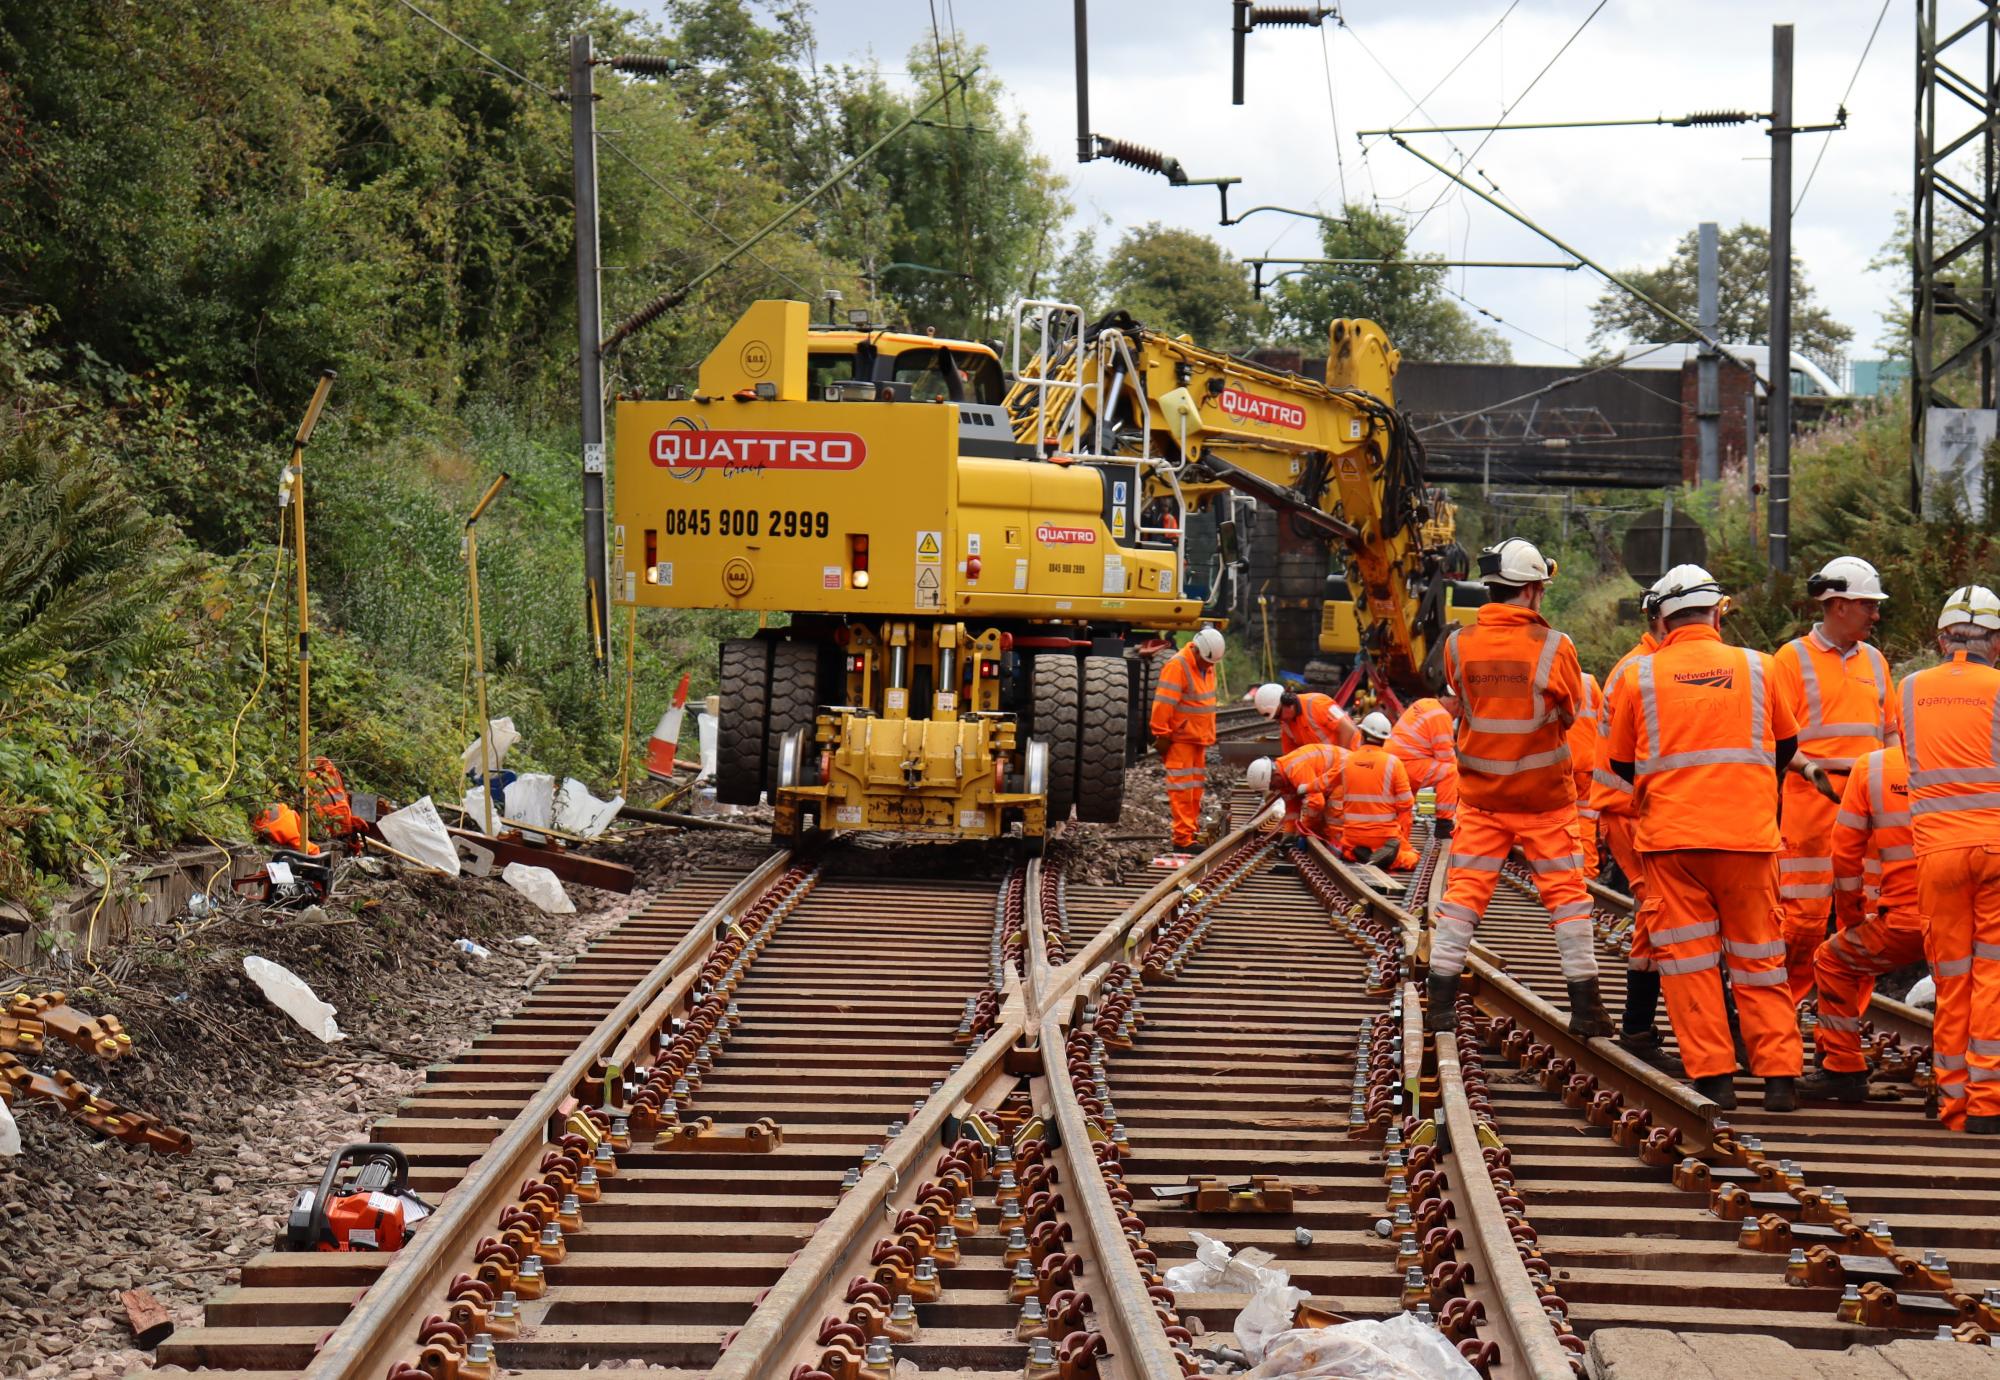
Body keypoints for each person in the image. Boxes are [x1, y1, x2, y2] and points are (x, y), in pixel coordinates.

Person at [1606, 564, 1804, 1112]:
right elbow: (1785, 746)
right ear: (1717, 612)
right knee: (1759, 957)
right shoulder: (1760, 667)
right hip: (1749, 837)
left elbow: (1622, 761)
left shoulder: (1639, 674)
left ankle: (1714, 1078)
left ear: (1661, 620)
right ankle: (1780, 1079)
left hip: (1672, 842)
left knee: (1689, 964)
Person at [1427, 538, 1612, 1038]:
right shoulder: (1555, 646)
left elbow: (1460, 704)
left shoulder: (1458, 645)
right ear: (1531, 590)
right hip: (1544, 798)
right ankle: (1587, 1010)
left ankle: (1440, 1005)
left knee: (1463, 896)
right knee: (1568, 898)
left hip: (1482, 798)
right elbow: (1572, 711)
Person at [1770, 556, 1898, 1002]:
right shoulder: (1791, 660)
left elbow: (1892, 734)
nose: (1875, 614)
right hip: (1811, 803)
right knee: (1800, 920)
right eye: (1868, 605)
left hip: (1869, 807)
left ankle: (1842, 1030)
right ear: (1839, 605)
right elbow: (1775, 736)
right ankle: (1774, 1017)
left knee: (1863, 920)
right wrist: (1808, 768)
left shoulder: (1876, 662)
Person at [1899, 585, 2000, 1134]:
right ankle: (1989, 1104)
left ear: (1942, 639)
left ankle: (1954, 1105)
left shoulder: (1910, 689)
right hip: (1997, 850)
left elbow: (1911, 761)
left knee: (1953, 976)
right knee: (1994, 977)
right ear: (1997, 642)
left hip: (1937, 852)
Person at [1801, 744, 1923, 1101]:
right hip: (1972, 920)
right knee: (1971, 986)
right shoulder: (1983, 761)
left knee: (1832, 960)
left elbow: (1845, 851)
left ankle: (1842, 1069)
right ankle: (1968, 1085)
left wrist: (1852, 916)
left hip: (1906, 923)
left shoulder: (1876, 766)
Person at [1595, 580, 1671, 1057]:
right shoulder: (1640, 670)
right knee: (1659, 912)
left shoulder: (1647, 666)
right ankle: (1637, 1029)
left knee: (1657, 914)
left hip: (1640, 809)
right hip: (1631, 812)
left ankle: (1639, 1028)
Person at [1151, 627, 1226, 850]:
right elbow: (1163, 703)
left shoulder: (1208, 663)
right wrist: (1161, 734)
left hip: (1199, 739)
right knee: (1182, 792)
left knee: (1194, 792)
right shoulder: (1178, 666)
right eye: (1206, 662)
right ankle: (1182, 839)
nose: (1209, 666)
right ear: (1195, 650)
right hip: (1181, 739)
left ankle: (1189, 833)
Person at [1340, 712, 1418, 869]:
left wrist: (1304, 788)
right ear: (1385, 739)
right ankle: (1390, 858)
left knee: (1346, 849)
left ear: (1362, 734)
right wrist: (1401, 839)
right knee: (1413, 856)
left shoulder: (1346, 760)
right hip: (1383, 836)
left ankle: (1359, 854)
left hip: (1353, 835)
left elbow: (1327, 788)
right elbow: (1406, 804)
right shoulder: (1393, 763)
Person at [1385, 687, 1460, 836]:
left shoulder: (1425, 703)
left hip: (1393, 763)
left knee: (1403, 808)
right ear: (1456, 702)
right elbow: (1447, 759)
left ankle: (1396, 833)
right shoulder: (1442, 716)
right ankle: (1444, 824)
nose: (1460, 715)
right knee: (1451, 772)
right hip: (1407, 765)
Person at [1247, 743, 1348, 846]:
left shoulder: (1296, 769)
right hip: (1335, 777)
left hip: (1346, 772)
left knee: (1333, 818)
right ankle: (1328, 845)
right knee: (1318, 821)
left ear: (1275, 775)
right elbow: (1292, 809)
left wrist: (1303, 830)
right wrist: (1288, 835)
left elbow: (1317, 802)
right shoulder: (1283, 779)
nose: (1274, 790)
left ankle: (1339, 849)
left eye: (1272, 786)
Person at [1252, 683, 1361, 753]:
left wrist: (1339, 762)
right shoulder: (1286, 724)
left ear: (1288, 702)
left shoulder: (1317, 704)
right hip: (1330, 767)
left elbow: (1348, 730)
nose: (1280, 720)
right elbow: (1290, 757)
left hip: (1353, 756)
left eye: (1278, 715)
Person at [1568, 670, 1605, 879]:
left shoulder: (1544, 677)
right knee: (1585, 819)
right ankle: (1588, 874)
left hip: (1557, 762)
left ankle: (1558, 874)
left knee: (1552, 821)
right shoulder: (1589, 682)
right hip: (1587, 762)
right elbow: (1604, 720)